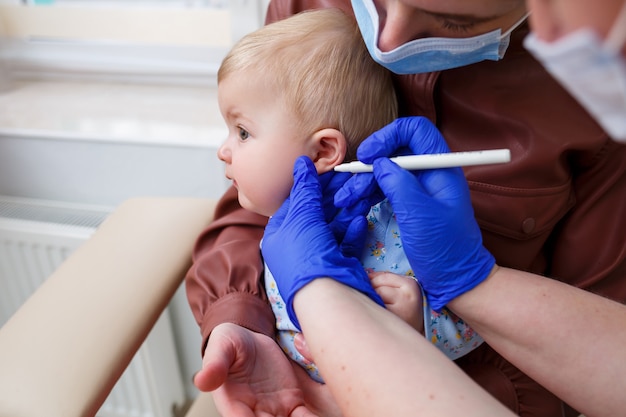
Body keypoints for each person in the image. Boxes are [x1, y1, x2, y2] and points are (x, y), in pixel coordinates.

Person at [187, 0, 626, 415]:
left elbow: (582, 356)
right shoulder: (303, 17)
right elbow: (249, 205)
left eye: (454, 21)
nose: (387, 41)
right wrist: (236, 316)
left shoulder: (396, 244)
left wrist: (420, 327)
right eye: (376, 1)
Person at [214, 7, 483, 385]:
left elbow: (479, 330)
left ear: (324, 151)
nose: (223, 150)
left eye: (242, 132)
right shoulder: (281, 219)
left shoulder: (396, 233)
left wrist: (419, 323)